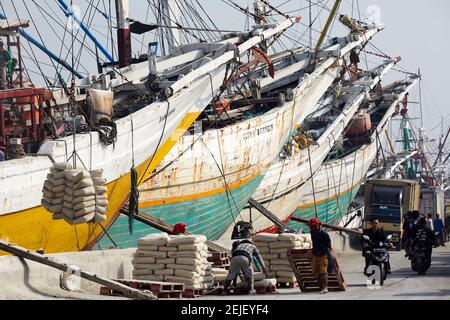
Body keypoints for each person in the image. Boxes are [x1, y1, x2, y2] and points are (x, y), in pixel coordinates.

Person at [308, 217, 332, 294]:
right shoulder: (312, 232)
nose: (312, 227)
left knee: (323, 272)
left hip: (323, 255)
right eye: (311, 226)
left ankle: (325, 288)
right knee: (316, 272)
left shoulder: (324, 234)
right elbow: (314, 242)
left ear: (318, 225)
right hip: (315, 254)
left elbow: (329, 245)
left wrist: (329, 254)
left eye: (313, 226)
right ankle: (321, 287)